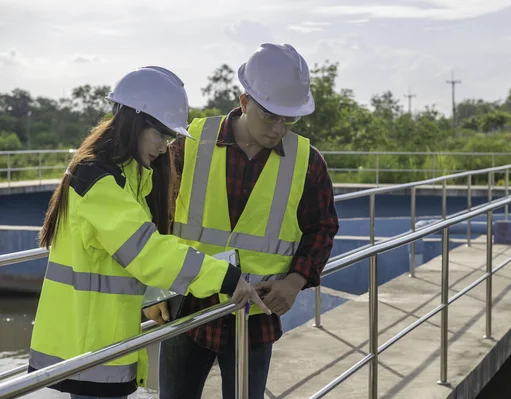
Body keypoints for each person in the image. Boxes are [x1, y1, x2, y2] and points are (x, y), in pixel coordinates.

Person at [27, 66, 269, 399]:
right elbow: (146, 251)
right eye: (162, 134)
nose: (166, 146)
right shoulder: (97, 180)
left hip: (104, 341)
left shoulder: (129, 174)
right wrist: (225, 277)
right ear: (135, 121)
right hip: (87, 347)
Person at [146, 43, 340, 398]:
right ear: (245, 102)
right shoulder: (189, 145)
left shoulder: (307, 162)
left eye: (289, 118)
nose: (279, 128)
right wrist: (153, 291)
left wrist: (295, 281)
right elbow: (156, 219)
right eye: (271, 115)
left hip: (254, 315)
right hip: (186, 305)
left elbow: (322, 228)